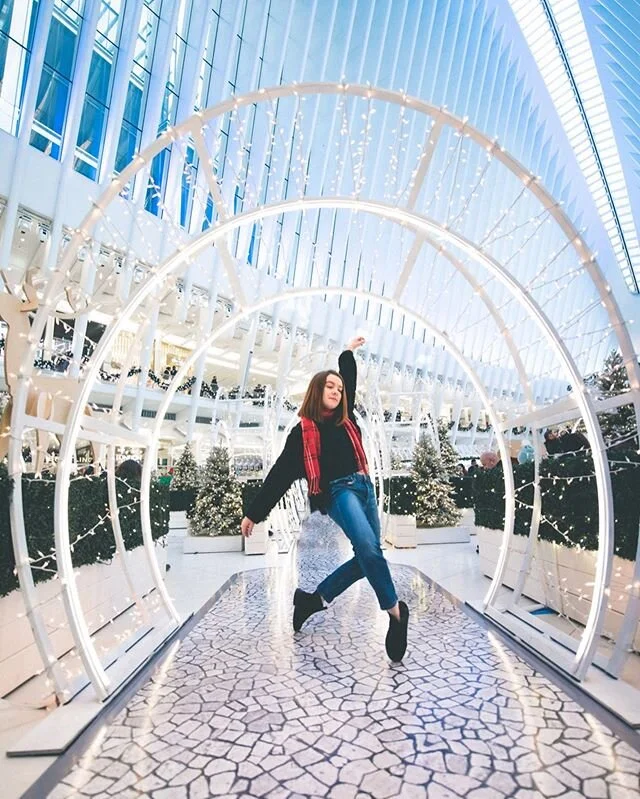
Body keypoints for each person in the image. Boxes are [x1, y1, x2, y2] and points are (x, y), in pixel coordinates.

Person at [241, 337, 409, 662]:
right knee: (369, 549)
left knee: (368, 557)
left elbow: (350, 378)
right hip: (337, 492)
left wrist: (348, 352)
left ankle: (312, 601)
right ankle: (396, 613)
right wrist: (254, 513)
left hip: (364, 487)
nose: (336, 391)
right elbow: (279, 476)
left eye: (339, 389)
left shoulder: (348, 420)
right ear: (316, 391)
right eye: (329, 386)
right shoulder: (302, 434)